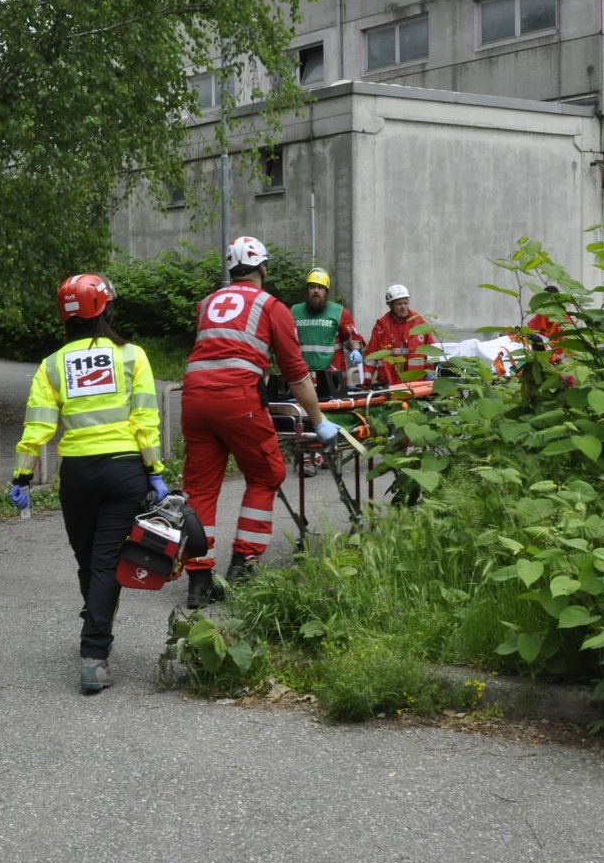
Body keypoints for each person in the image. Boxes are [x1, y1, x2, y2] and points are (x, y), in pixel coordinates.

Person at [8, 273, 166, 694]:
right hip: (124, 472)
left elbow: (38, 426)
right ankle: (94, 655)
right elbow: (144, 421)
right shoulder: (132, 356)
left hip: (77, 475)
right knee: (105, 562)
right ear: (106, 309)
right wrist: (155, 472)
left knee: (87, 557)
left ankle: (96, 621)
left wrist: (21, 475)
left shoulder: (52, 365)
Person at [180, 236, 339, 608]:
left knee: (201, 489)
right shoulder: (271, 306)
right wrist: (318, 420)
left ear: (231, 269)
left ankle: (198, 582)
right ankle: (242, 566)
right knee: (267, 474)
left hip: (194, 398)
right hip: (236, 399)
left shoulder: (206, 304)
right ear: (263, 269)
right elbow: (296, 372)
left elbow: (212, 350)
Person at [289, 266, 364, 475]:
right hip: (303, 376)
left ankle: (324, 451)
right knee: (303, 417)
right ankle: (307, 458)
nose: (315, 291)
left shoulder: (339, 313)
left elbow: (354, 339)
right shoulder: (294, 312)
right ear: (307, 290)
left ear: (326, 292)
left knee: (329, 416)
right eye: (312, 287)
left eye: (319, 288)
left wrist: (356, 351)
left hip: (330, 376)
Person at [366, 283, 439, 387]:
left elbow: (432, 351)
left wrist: (431, 374)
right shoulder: (381, 328)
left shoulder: (419, 323)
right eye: (399, 304)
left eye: (406, 303)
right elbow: (371, 357)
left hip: (417, 383)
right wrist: (365, 383)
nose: (403, 307)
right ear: (390, 305)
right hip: (389, 383)